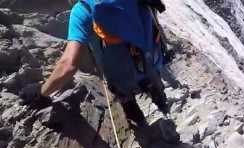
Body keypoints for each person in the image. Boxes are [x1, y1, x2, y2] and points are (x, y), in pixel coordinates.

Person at [19, 0, 170, 127]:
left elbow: (68, 65)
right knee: (155, 86)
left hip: (120, 78)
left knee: (128, 102)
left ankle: (141, 125)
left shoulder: (82, 11)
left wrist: (41, 92)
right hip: (150, 62)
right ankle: (163, 107)